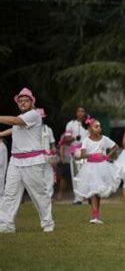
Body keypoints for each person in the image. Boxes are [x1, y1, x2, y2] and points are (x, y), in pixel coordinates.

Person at [0, 88, 55, 233]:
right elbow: (15, 127)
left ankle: (47, 223)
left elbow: (15, 121)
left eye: (26, 100)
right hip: (15, 161)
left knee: (38, 194)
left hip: (32, 161)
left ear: (32, 102)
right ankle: (6, 225)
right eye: (20, 101)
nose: (23, 103)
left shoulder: (34, 115)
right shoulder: (23, 117)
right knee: (9, 194)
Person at [75, 118, 120, 224]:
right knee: (94, 191)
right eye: (96, 126)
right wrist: (93, 155)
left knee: (98, 192)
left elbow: (115, 147)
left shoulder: (104, 139)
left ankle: (96, 215)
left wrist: (107, 156)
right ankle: (95, 216)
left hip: (102, 167)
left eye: (99, 126)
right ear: (89, 129)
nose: (99, 128)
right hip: (90, 167)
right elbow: (82, 154)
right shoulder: (86, 140)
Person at [64, 106, 89, 204]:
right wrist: (74, 138)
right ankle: (78, 198)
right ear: (76, 113)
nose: (81, 113)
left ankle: (88, 196)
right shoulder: (71, 124)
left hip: (86, 152)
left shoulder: (88, 124)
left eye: (82, 111)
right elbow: (66, 139)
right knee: (76, 174)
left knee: (87, 174)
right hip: (75, 152)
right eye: (79, 111)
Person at [36, 108, 56, 199]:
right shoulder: (31, 130)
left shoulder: (48, 129)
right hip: (35, 156)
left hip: (47, 156)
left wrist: (53, 153)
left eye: (42, 117)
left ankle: (49, 196)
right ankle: (39, 197)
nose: (40, 119)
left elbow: (52, 144)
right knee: (37, 177)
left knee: (48, 176)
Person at [56, 131, 72, 201]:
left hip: (72, 162)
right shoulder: (63, 144)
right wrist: (63, 161)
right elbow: (61, 151)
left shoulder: (73, 143)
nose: (68, 138)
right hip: (66, 163)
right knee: (64, 179)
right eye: (67, 137)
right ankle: (60, 194)